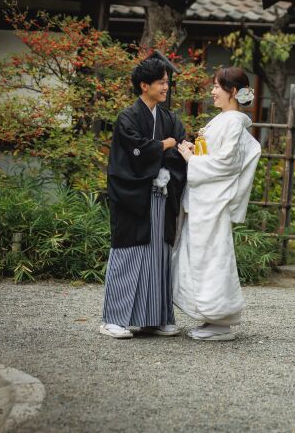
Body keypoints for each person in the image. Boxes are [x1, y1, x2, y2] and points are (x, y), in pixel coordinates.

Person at [99, 56, 187, 339]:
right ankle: (113, 319)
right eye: (161, 82)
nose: (166, 87)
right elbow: (134, 152)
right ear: (144, 85)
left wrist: (163, 152)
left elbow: (179, 150)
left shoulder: (170, 119)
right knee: (130, 254)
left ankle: (156, 319)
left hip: (162, 195)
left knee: (159, 257)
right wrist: (162, 145)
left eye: (167, 82)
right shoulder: (128, 117)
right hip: (133, 196)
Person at [172, 67, 261, 341]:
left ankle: (221, 321)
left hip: (213, 201)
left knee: (213, 259)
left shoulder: (232, 122)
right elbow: (217, 155)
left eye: (217, 87)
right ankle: (213, 318)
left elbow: (227, 163)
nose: (212, 92)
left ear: (232, 91)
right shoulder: (225, 119)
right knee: (202, 258)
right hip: (205, 199)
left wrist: (192, 159)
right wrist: (195, 151)